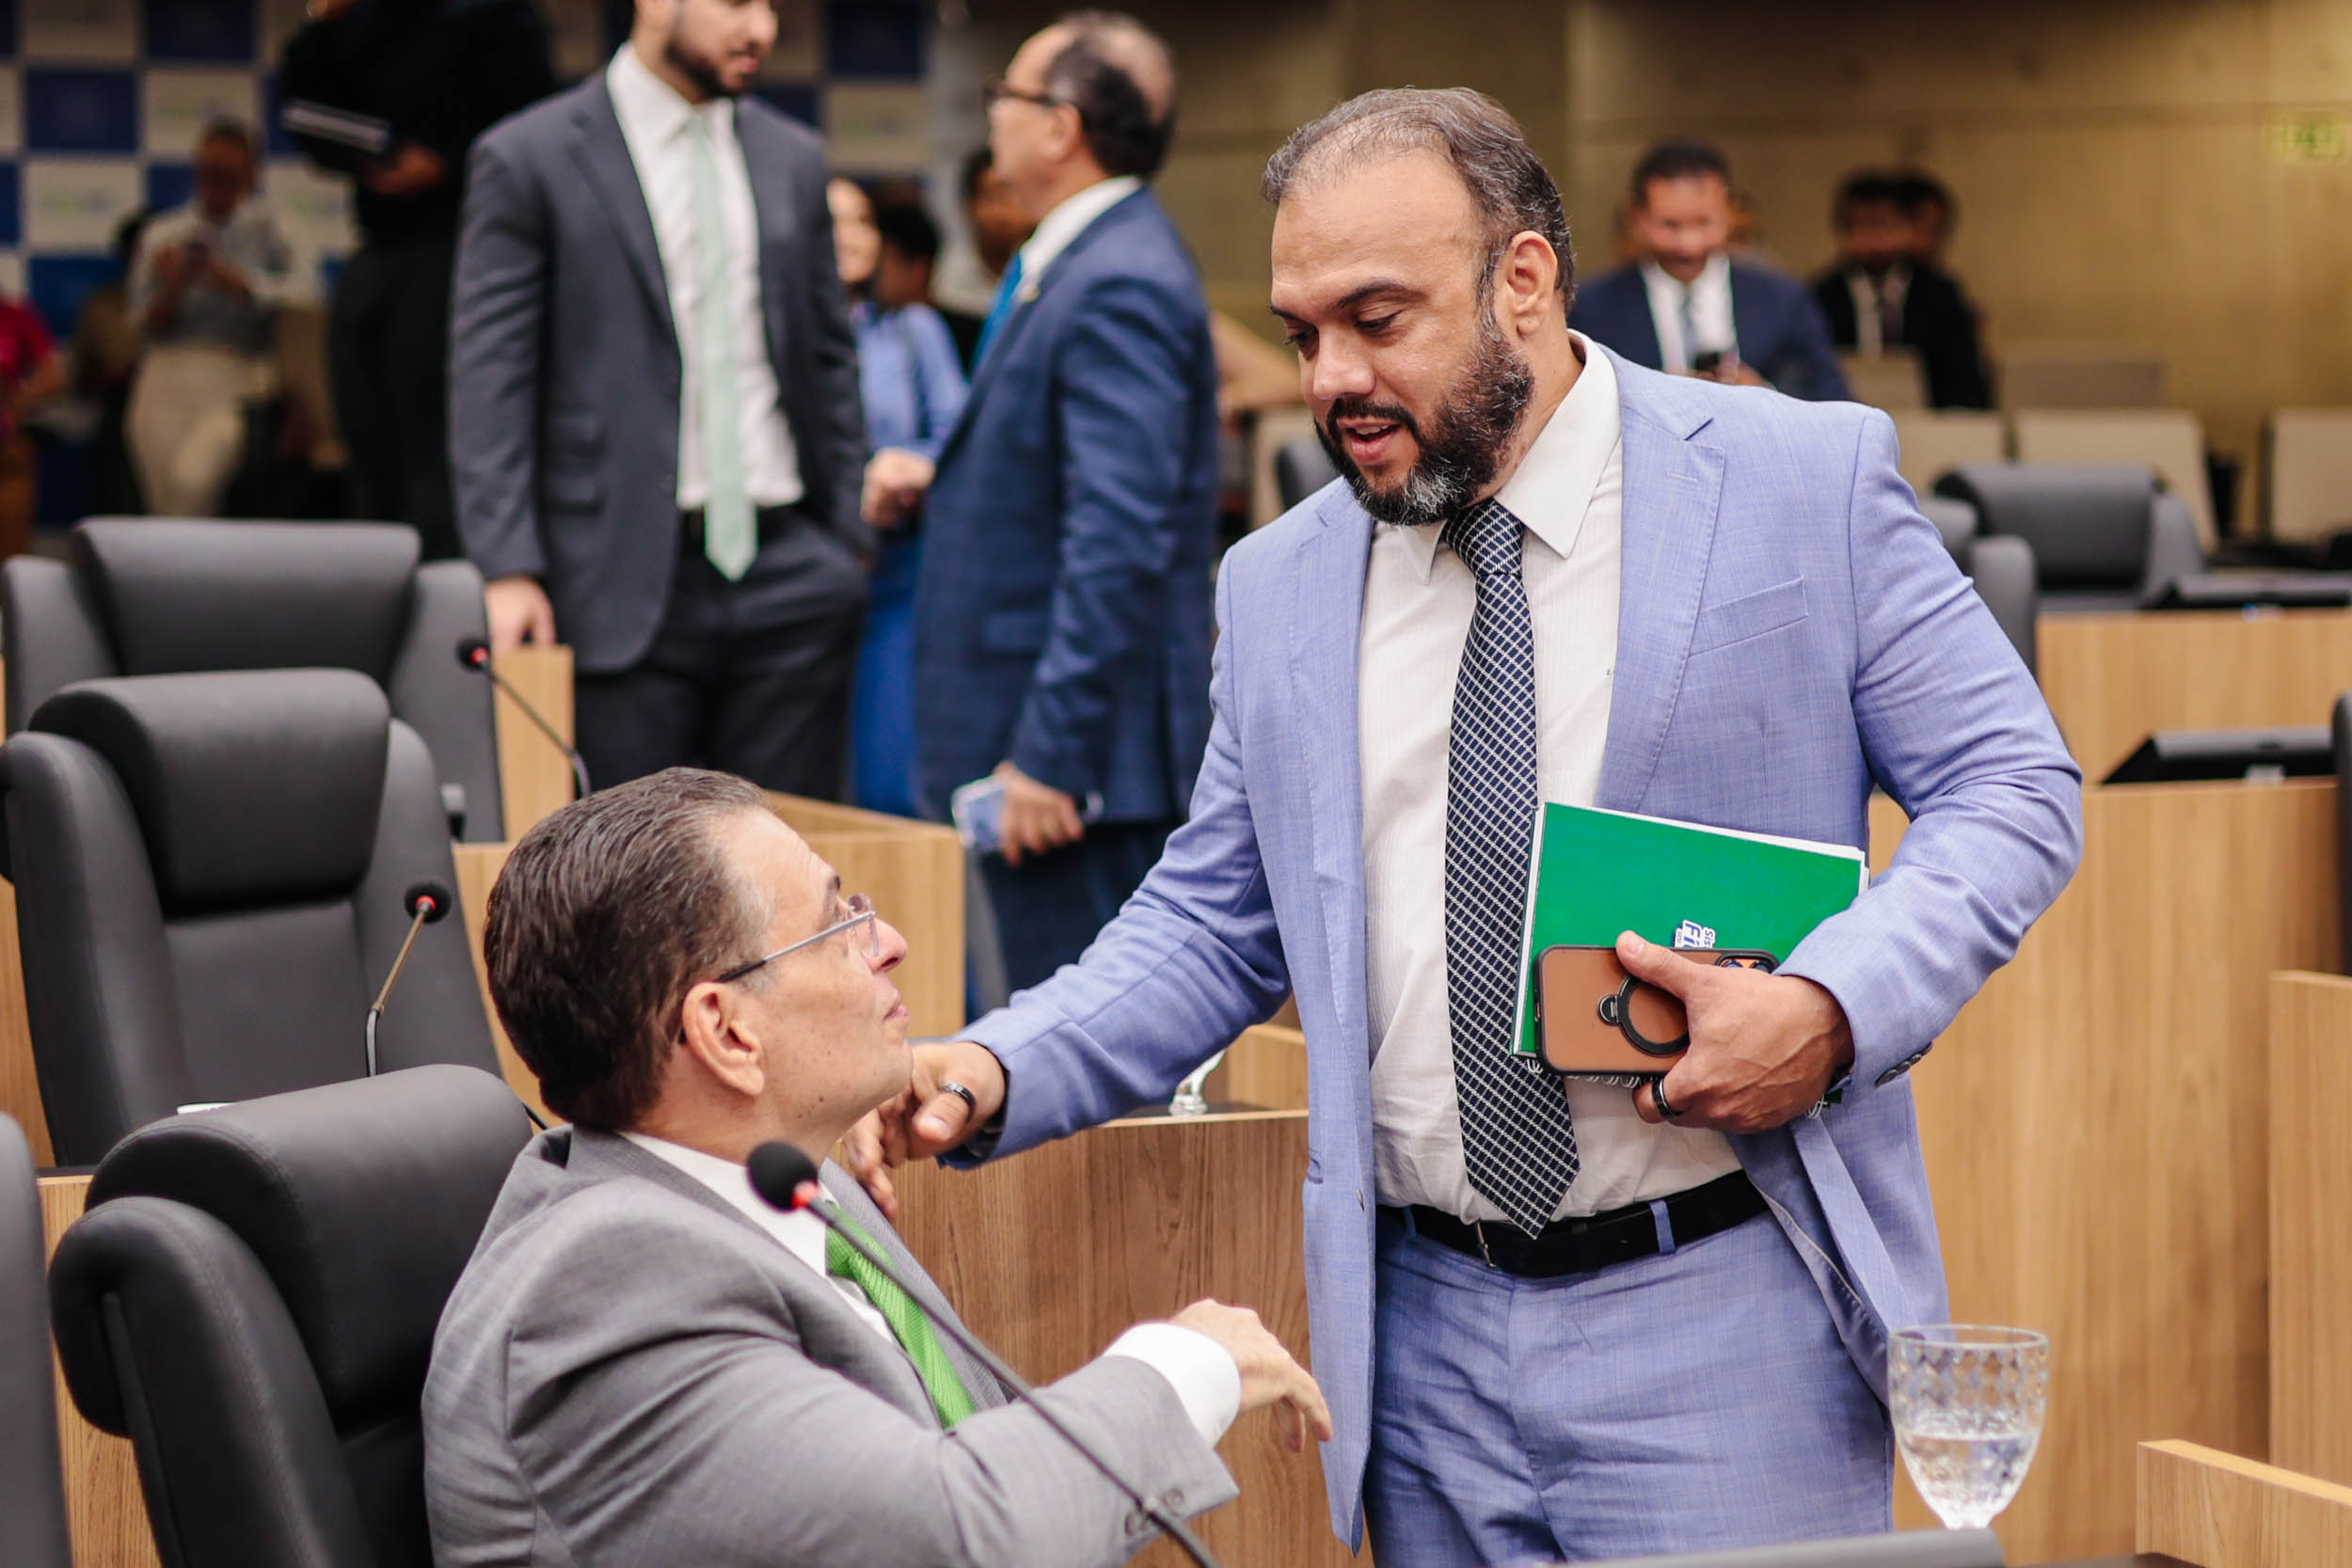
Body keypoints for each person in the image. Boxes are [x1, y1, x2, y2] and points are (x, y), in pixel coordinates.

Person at [850, 88, 2083, 1565]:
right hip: (1417, 1343)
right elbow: (1211, 924)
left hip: (1727, 1311)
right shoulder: (1280, 580)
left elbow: (2012, 785)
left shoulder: (1797, 479)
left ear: (1525, 279)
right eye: (1304, 333)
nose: (1333, 379)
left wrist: (1829, 1006)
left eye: (1378, 319)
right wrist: (991, 1065)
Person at [425, 768, 1331, 1568]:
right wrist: (1185, 1363)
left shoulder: (785, 1177)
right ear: (727, 1032)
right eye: (839, 924)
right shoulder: (605, 1289)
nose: (889, 939)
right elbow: (949, 1539)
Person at [870, 10, 1220, 994]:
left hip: (1071, 775)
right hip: (1043, 749)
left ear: (1062, 126)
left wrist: (1052, 756)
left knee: (1084, 1058)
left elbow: (1119, 536)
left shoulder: (1118, 279)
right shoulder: (1078, 258)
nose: (995, 117)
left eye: (1008, 96)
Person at [451, 0, 871, 799]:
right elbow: (490, 377)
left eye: (771, 6)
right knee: (636, 861)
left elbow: (829, 355)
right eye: (736, 2)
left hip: (791, 574)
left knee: (787, 855)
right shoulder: (529, 155)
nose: (762, 29)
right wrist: (507, 565)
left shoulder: (794, 157)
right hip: (614, 575)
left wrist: (845, 539)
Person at [280, 0, 556, 560]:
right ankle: (380, 574)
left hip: (462, 240)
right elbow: (308, 111)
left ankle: (448, 580)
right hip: (380, 242)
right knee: (366, 427)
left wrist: (446, 163)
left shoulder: (494, 17)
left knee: (434, 439)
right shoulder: (363, 20)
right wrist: (324, 24)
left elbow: (532, 122)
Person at [830, 180, 969, 816]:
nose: (850, 236)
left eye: (862, 220)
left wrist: (910, 466)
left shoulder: (912, 331)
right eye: (832, 221)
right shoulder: (764, 334)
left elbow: (959, 442)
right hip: (802, 570)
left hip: (892, 573)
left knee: (886, 781)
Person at [126, 120, 314, 516]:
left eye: (228, 173)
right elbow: (141, 324)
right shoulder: (164, 232)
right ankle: (175, 560)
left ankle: (193, 558)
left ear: (251, 174)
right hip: (164, 373)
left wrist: (239, 283)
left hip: (238, 371)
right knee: (163, 499)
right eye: (209, 171)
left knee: (194, 481)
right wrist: (173, 286)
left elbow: (308, 298)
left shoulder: (277, 229)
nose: (217, 182)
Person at [1569, 139, 1849, 401]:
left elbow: (1833, 397)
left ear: (1730, 211)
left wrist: (1764, 393)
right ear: (1636, 215)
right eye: (1670, 225)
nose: (1688, 245)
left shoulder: (1783, 299)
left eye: (1704, 223)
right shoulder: (1591, 307)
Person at [1811, 170, 1991, 410]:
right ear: (1843, 233)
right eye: (1862, 227)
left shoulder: (1940, 294)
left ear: (1906, 228)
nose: (1875, 240)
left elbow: (1965, 380)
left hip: (1928, 422)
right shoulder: (1821, 297)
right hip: (1844, 420)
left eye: (1885, 226)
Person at [933, 146, 1035, 368]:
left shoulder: (1044, 267)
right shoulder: (943, 280)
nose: (1001, 210)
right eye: (989, 196)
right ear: (968, 204)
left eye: (1009, 194)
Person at [0, 287, 61, 556]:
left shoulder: (15, 315)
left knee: (11, 553)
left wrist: (16, 402)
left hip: (7, 448)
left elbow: (55, 376)